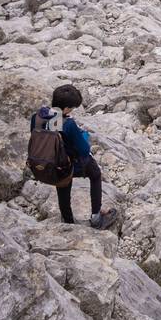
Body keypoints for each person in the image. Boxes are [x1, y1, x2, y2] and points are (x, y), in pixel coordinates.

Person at [31, 84, 117, 230]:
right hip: (67, 164)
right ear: (66, 109)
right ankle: (96, 217)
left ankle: (68, 220)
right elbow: (84, 150)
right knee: (95, 173)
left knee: (63, 183)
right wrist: (83, 136)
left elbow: (49, 131)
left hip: (46, 164)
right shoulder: (68, 124)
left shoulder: (37, 117)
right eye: (72, 108)